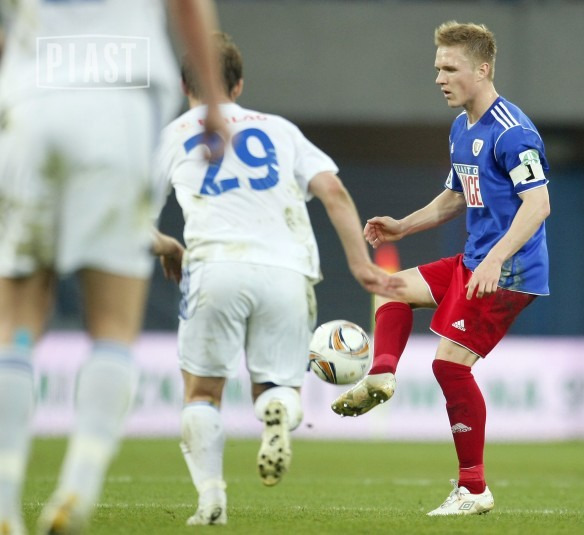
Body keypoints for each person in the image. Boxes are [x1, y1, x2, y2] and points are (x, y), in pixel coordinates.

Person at [153, 32, 402, 527]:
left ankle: (211, 499)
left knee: (201, 393)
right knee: (279, 386)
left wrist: (168, 246)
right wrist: (360, 264)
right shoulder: (281, 131)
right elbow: (334, 192)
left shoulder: (172, 135)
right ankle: (278, 414)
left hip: (214, 266)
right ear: (239, 86)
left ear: (184, 85)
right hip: (286, 271)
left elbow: (127, 221)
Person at [0, 2, 227, 534]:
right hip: (120, 102)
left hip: (31, 101)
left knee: (15, 328)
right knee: (112, 327)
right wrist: (214, 103)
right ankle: (79, 483)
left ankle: (5, 499)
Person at [332, 21, 551, 516]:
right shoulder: (462, 127)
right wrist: (402, 226)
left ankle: (473, 489)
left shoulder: (513, 132)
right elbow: (456, 196)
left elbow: (538, 205)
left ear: (483, 69)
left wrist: (495, 259)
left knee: (449, 366)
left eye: (449, 68)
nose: (439, 78)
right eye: (437, 68)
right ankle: (380, 376)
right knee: (392, 288)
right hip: (475, 258)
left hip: (508, 270)